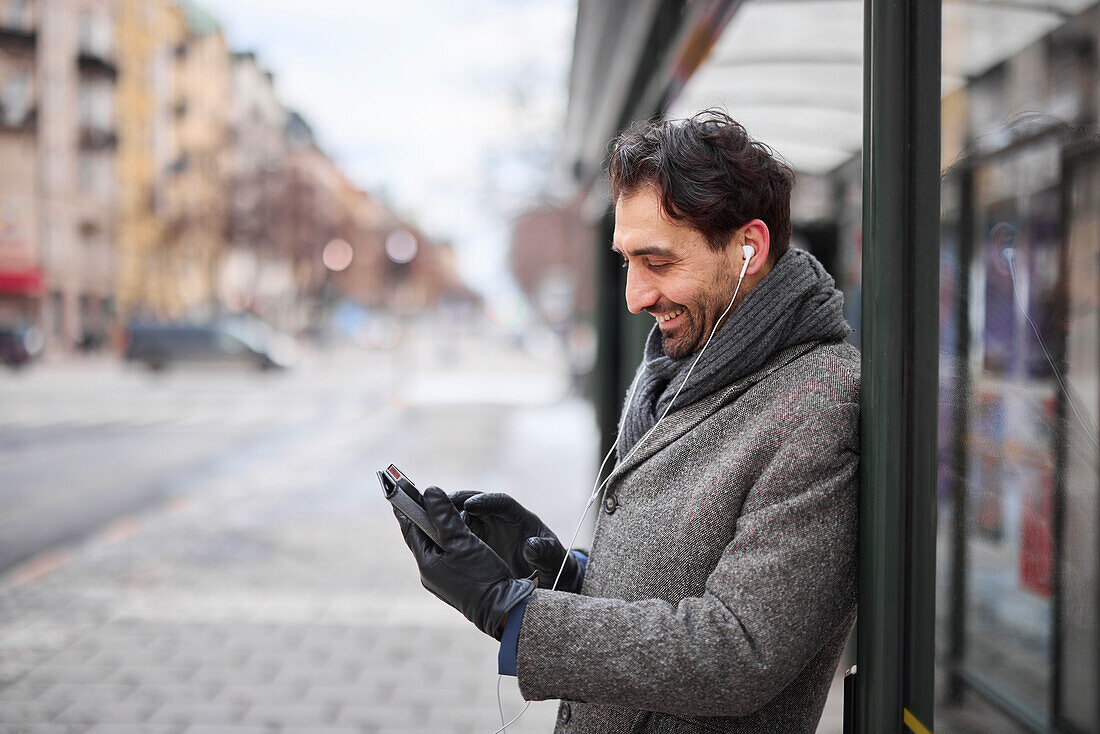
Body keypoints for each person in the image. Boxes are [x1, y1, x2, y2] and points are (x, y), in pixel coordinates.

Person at [392, 110, 859, 733]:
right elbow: (671, 585)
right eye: (627, 262)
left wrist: (512, 613)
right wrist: (558, 573)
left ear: (749, 248)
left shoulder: (818, 399)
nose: (635, 295)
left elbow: (739, 651)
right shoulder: (678, 367)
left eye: (658, 262)